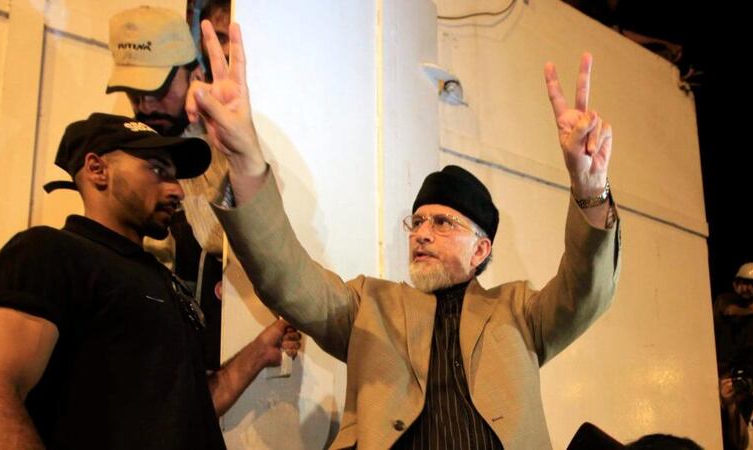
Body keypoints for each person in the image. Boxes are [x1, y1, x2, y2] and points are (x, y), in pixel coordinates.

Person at [189, 19, 621, 449]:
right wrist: (245, 157)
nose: (422, 234)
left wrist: (589, 189)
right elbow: (285, 277)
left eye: (442, 223)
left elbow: (586, 291)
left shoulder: (520, 312)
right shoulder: (368, 307)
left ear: (480, 250)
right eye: (416, 222)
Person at [0, 113, 300, 449]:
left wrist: (260, 352)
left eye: (175, 177)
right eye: (158, 170)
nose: (176, 190)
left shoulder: (163, 279)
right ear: (97, 169)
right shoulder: (49, 253)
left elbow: (186, 407)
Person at [106, 5, 233, 369]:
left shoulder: (221, 139)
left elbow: (215, 240)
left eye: (157, 89)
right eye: (133, 93)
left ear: (194, 74)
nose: (145, 105)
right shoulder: (117, 151)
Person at [715, 262, 753, 371]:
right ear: (736, 284)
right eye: (746, 283)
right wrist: (750, 311)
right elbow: (729, 311)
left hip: (735, 368)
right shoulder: (724, 299)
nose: (749, 288)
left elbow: (752, 345)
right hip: (714, 360)